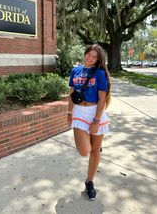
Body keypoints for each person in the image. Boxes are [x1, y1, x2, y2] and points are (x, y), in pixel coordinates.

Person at [67, 44, 111, 201]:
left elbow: (102, 99)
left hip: (95, 113)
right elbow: (71, 94)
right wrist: (69, 112)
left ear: (98, 59)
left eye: (94, 57)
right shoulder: (75, 71)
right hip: (79, 112)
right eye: (89, 55)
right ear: (85, 54)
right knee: (85, 151)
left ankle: (89, 181)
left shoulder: (99, 73)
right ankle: (95, 148)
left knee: (94, 151)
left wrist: (96, 120)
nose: (91, 58)